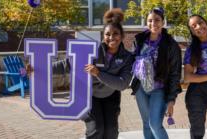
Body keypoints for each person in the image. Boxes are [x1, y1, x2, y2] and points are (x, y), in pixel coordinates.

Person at [27, 8, 134, 139]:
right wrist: (38, 68)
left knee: (111, 133)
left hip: (110, 96)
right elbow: (66, 65)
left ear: (122, 36)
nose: (111, 37)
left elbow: (123, 84)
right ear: (103, 36)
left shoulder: (128, 57)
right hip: (89, 96)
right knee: (96, 130)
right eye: (107, 34)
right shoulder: (93, 51)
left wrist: (98, 73)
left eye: (115, 33)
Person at [130, 7, 182, 139]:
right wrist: (135, 86)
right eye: (150, 20)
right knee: (146, 124)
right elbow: (132, 63)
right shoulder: (139, 40)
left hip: (159, 89)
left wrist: (171, 99)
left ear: (163, 22)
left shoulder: (171, 44)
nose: (154, 23)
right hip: (141, 89)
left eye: (157, 20)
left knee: (154, 124)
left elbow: (175, 73)